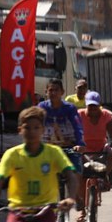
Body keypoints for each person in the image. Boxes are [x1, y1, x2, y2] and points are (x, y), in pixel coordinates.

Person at [75, 91, 112, 222]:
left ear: (99, 105)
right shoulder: (79, 115)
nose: (93, 109)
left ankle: (105, 175)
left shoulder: (106, 116)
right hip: (84, 150)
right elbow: (74, 131)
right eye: (90, 106)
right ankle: (82, 211)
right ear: (86, 105)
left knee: (111, 154)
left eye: (95, 106)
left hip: (101, 149)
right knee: (82, 178)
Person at [38, 78, 84, 206]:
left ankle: (75, 195)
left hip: (69, 146)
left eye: (56, 90)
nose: (53, 93)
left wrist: (80, 144)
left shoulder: (69, 108)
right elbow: (35, 125)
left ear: (62, 92)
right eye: (50, 90)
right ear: (46, 92)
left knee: (75, 171)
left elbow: (78, 126)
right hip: (48, 148)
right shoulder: (41, 108)